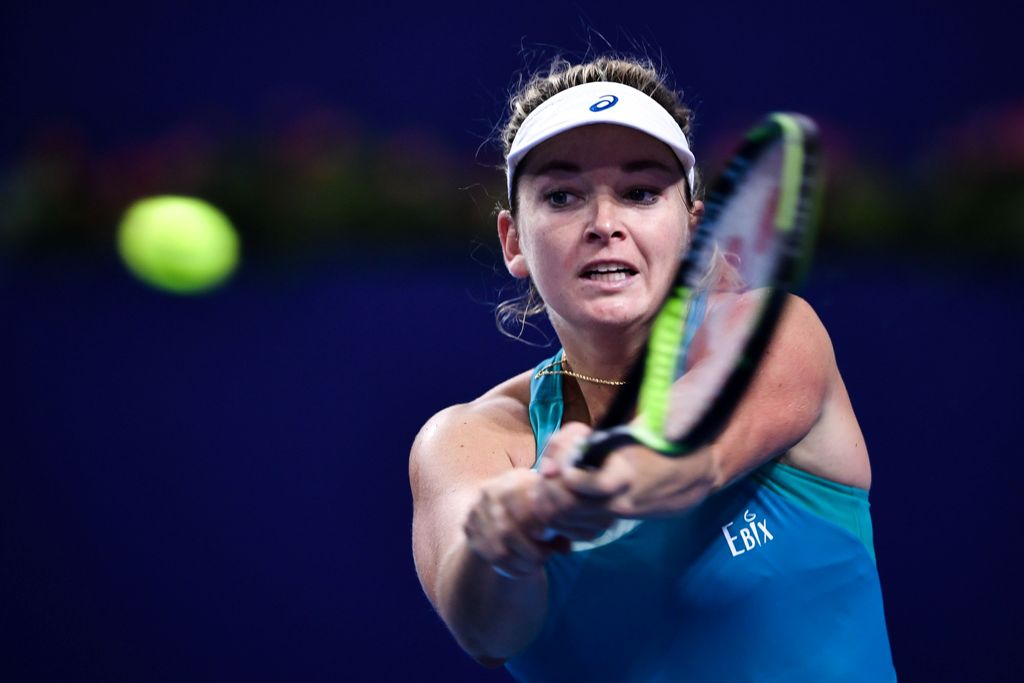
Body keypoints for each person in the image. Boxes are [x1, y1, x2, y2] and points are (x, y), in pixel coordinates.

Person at [410, 56, 896, 682]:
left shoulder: (773, 331)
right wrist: (503, 545)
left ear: (692, 230)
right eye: (562, 196)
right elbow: (487, 631)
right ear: (513, 241)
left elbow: (692, 455)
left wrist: (598, 483)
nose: (604, 225)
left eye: (640, 193)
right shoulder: (463, 443)